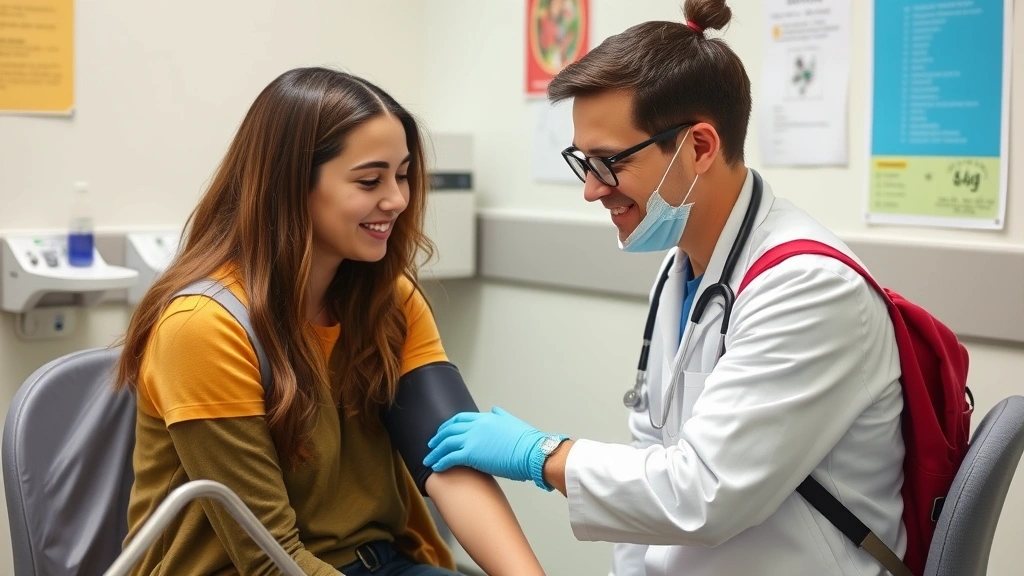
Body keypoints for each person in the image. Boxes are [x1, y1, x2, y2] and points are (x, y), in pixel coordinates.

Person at [422, 2, 906, 575]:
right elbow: (651, 462)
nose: (592, 191)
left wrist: (541, 455)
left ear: (699, 147)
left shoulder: (808, 289)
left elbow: (701, 493)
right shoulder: (685, 269)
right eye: (584, 163)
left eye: (609, 163)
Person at [114, 67, 546, 576]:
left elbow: (449, 465)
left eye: (403, 174)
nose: (398, 200)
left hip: (382, 562)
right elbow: (268, 560)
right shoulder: (203, 328)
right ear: (291, 185)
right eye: (369, 180)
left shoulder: (391, 301)